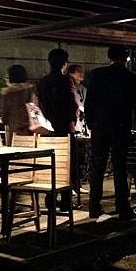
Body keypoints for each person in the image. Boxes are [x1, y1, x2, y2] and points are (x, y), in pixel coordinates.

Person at [85, 46, 136, 220]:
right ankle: (123, 207)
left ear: (109, 57)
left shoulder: (97, 75)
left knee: (98, 166)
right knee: (120, 166)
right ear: (126, 58)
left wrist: (91, 123)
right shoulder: (132, 78)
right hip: (120, 126)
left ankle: (94, 207)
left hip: (100, 126)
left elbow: (89, 102)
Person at [37, 48, 79, 211]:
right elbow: (70, 104)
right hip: (63, 127)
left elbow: (40, 105)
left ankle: (50, 198)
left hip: (48, 128)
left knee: (52, 164)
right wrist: (72, 124)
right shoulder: (65, 81)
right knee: (67, 164)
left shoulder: (42, 82)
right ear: (64, 64)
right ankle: (66, 201)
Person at [0, 64, 35, 146]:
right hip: (31, 131)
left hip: (15, 132)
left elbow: (4, 118)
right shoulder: (30, 91)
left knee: (15, 152)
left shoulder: (8, 94)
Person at [67, 64, 88, 136]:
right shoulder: (69, 88)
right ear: (71, 74)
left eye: (82, 71)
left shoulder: (84, 88)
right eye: (79, 71)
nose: (82, 73)